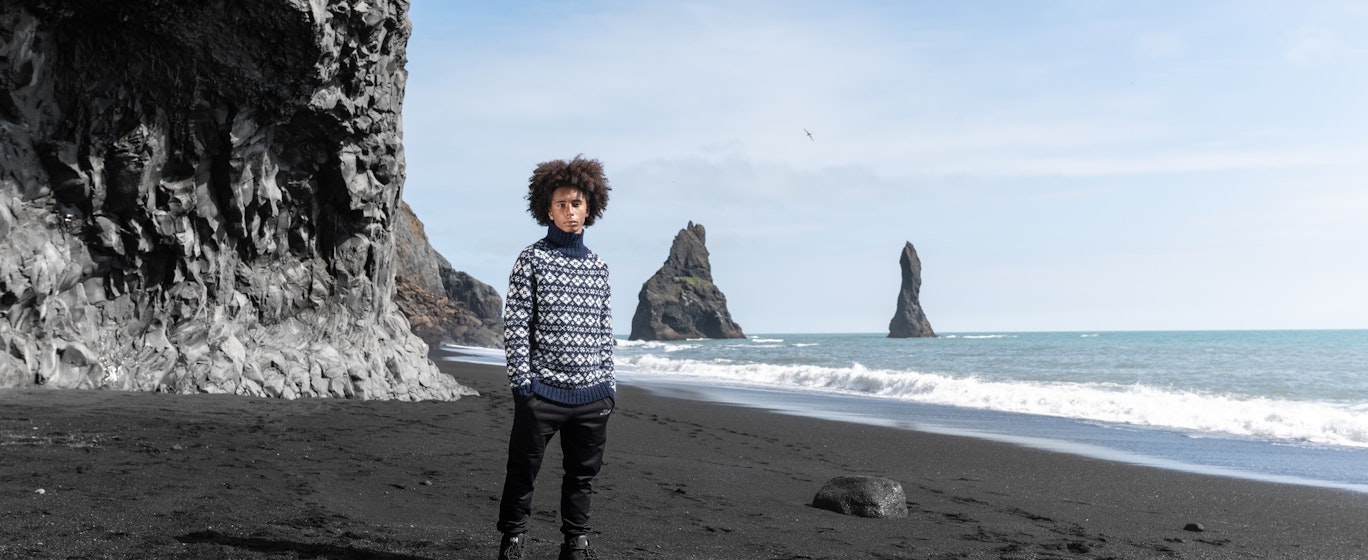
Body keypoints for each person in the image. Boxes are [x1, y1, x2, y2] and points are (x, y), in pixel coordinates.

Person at [497, 156, 615, 560]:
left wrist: (608, 388)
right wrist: (523, 387)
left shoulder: (599, 268)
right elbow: (515, 325)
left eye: (577, 204)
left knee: (582, 477)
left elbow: (604, 331)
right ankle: (513, 540)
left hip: (592, 397)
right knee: (523, 473)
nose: (569, 211)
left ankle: (576, 543)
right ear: (548, 209)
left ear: (590, 208)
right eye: (562, 204)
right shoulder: (531, 260)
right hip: (541, 394)